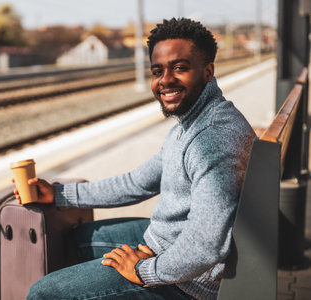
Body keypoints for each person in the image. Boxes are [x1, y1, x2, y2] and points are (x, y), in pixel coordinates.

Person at [14, 18, 256, 300]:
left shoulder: (211, 139)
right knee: (74, 239)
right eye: (157, 71)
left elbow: (206, 245)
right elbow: (137, 183)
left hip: (187, 283)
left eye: (180, 68)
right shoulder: (193, 121)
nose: (165, 80)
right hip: (166, 245)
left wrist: (144, 271)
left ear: (207, 71)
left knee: (42, 294)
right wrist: (58, 194)